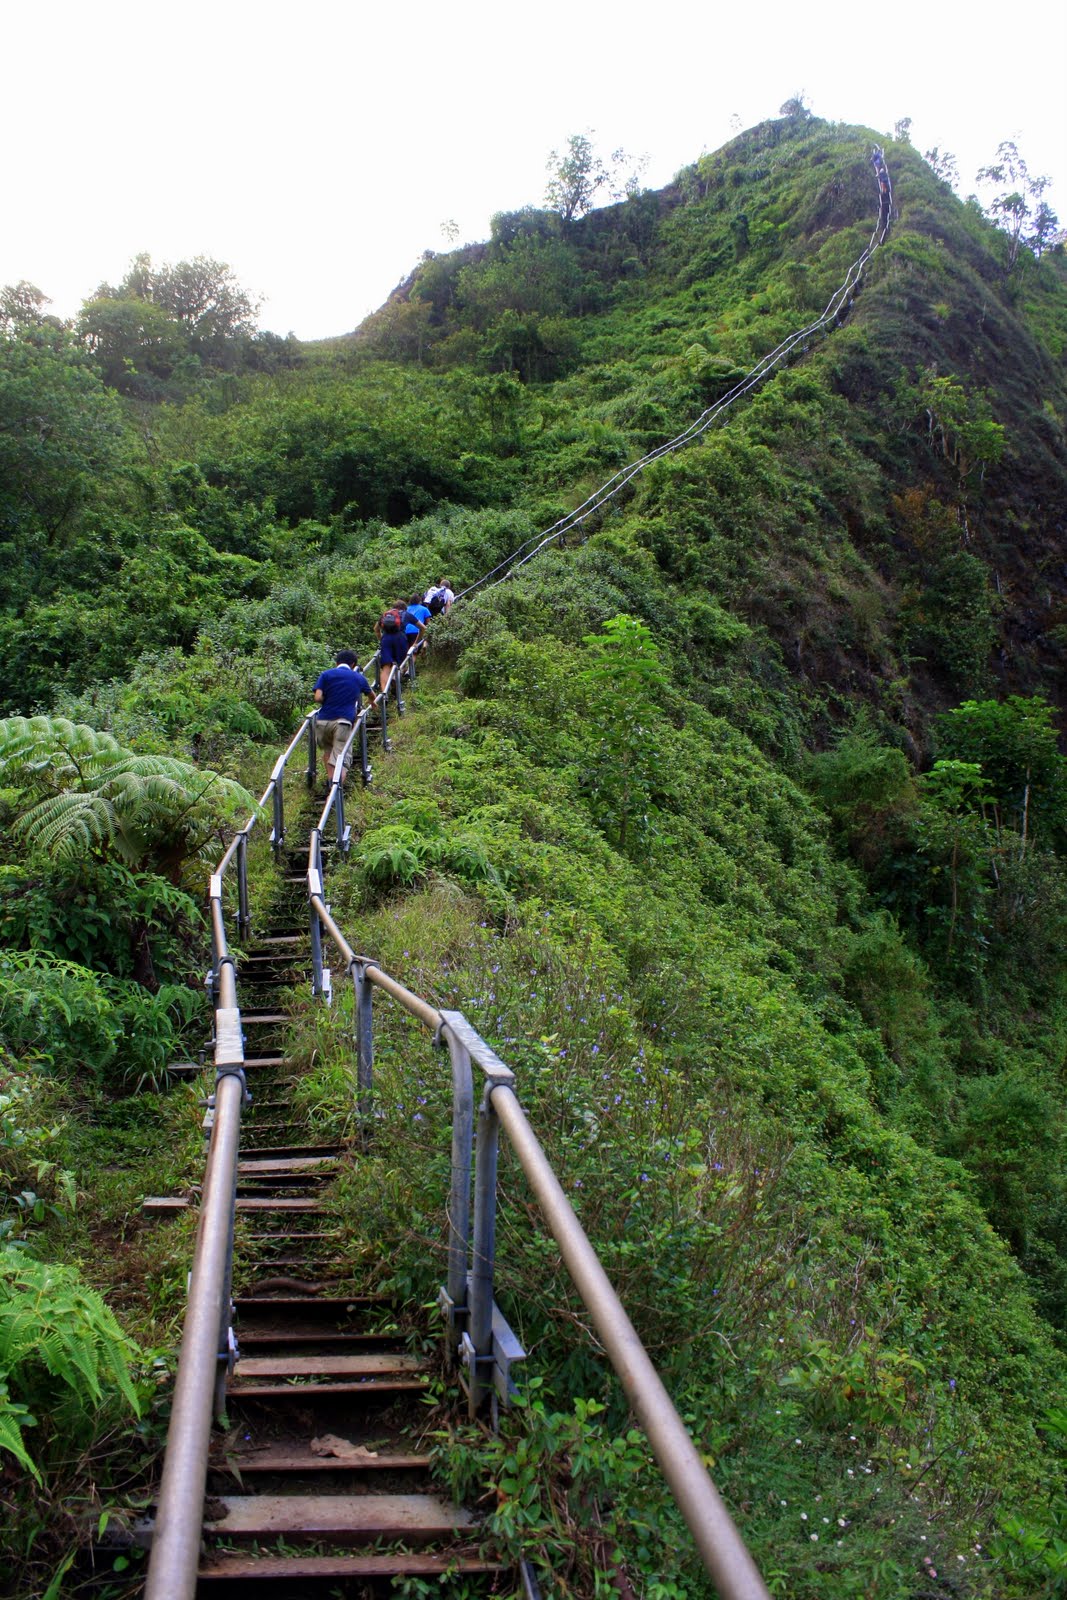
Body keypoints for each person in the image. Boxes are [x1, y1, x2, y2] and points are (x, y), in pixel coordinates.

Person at [312, 650, 377, 786]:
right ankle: (335, 789)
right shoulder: (357, 677)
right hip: (343, 722)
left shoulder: (326, 674)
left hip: (323, 721)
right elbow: (371, 695)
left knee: (328, 751)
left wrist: (328, 700)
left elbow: (317, 697)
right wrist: (372, 702)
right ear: (353, 664)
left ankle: (331, 782)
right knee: (341, 758)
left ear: (337, 663)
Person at [375, 602, 410, 694]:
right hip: (400, 639)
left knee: (385, 667)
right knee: (401, 663)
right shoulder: (406, 614)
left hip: (386, 639)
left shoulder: (385, 615)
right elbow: (422, 627)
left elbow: (376, 629)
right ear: (404, 608)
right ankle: (395, 678)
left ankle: (384, 693)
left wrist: (381, 640)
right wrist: (415, 643)